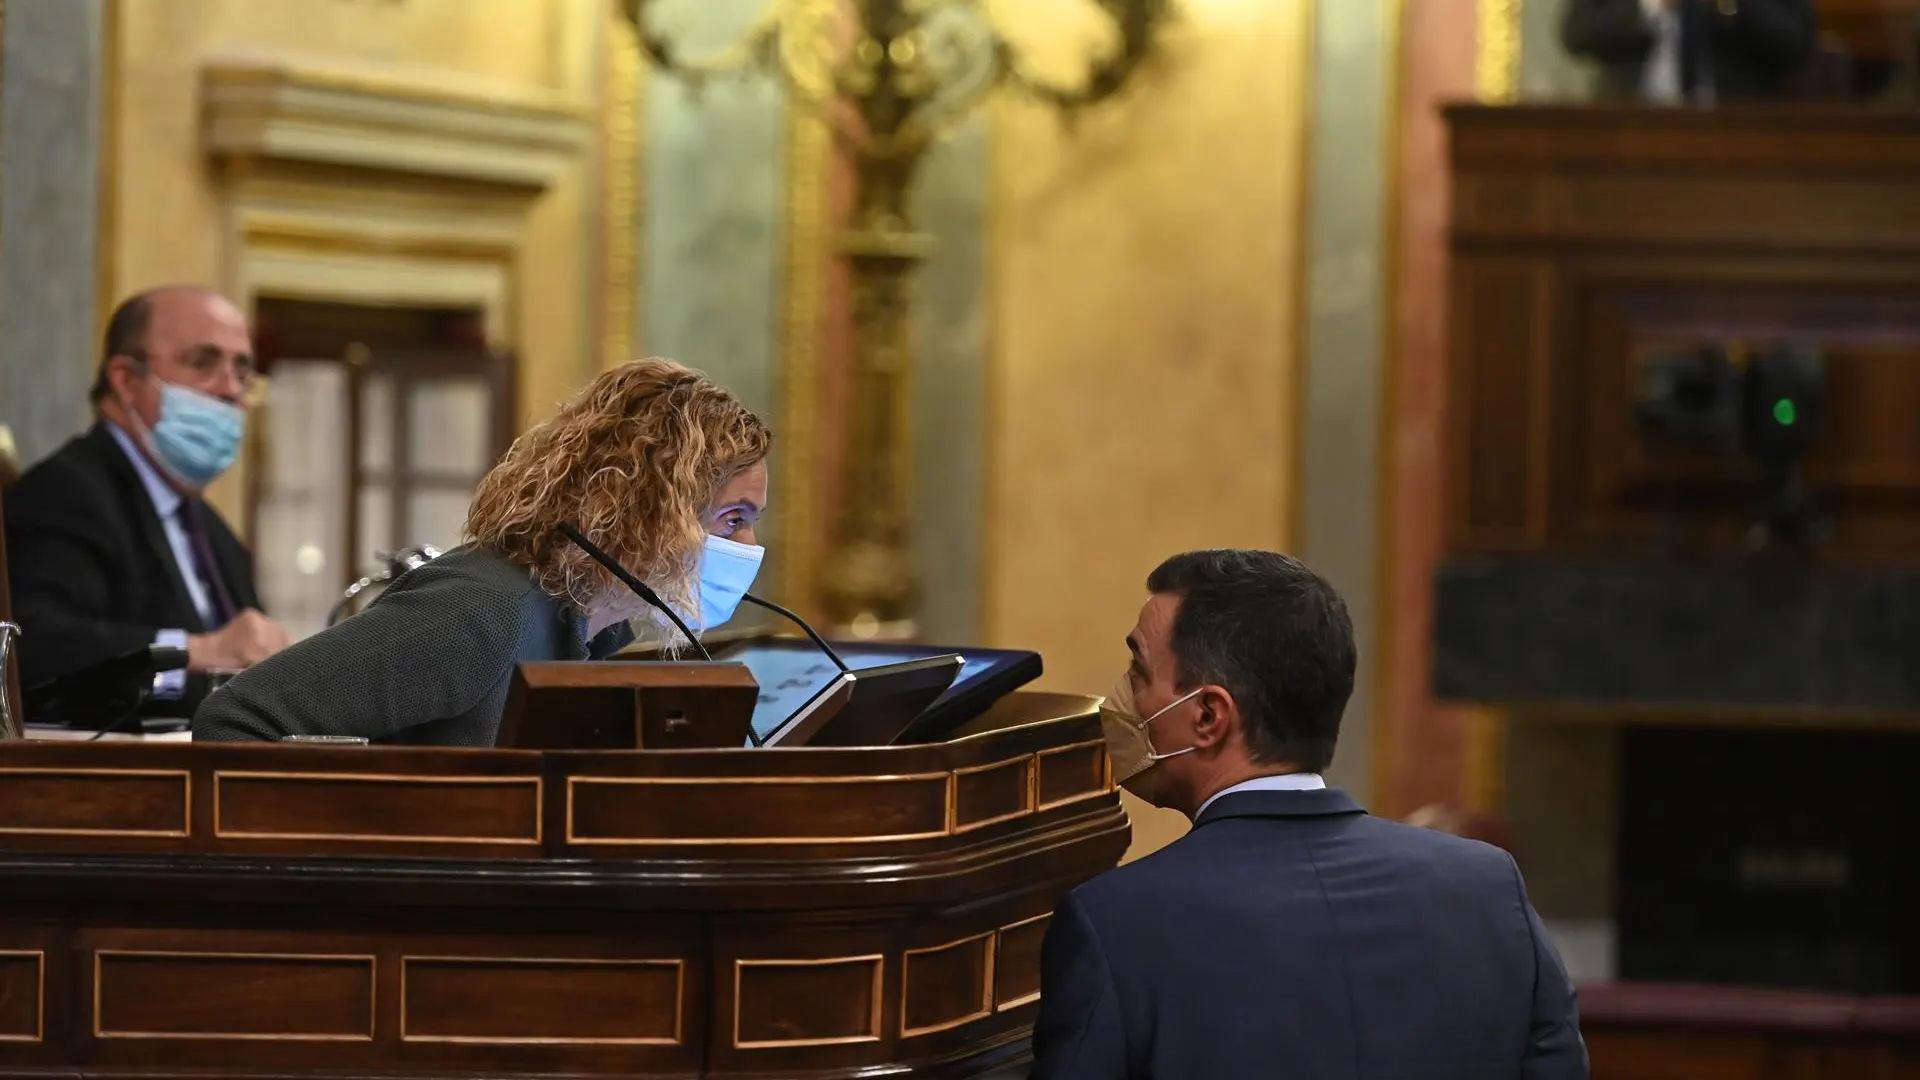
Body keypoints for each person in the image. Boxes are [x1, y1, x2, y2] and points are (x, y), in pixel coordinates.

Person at [1028, 550, 1587, 1080]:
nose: (1121, 698)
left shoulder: (1114, 927)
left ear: (1207, 715)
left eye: (1138, 672)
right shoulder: (1489, 890)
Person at [192, 358, 771, 746]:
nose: (748, 547)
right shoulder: (483, 612)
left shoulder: (592, 629)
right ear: (645, 507)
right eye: (732, 520)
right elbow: (240, 721)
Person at [3, 286, 289, 720]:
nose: (231, 389)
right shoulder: (64, 493)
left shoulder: (210, 529)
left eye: (242, 370)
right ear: (125, 380)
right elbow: (31, 646)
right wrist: (196, 651)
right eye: (203, 362)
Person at [1561, 0, 1815, 103]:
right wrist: (1651, 8)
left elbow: (1795, 46)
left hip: (1736, 134)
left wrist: (1731, 6)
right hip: (1630, 128)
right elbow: (1576, 33)